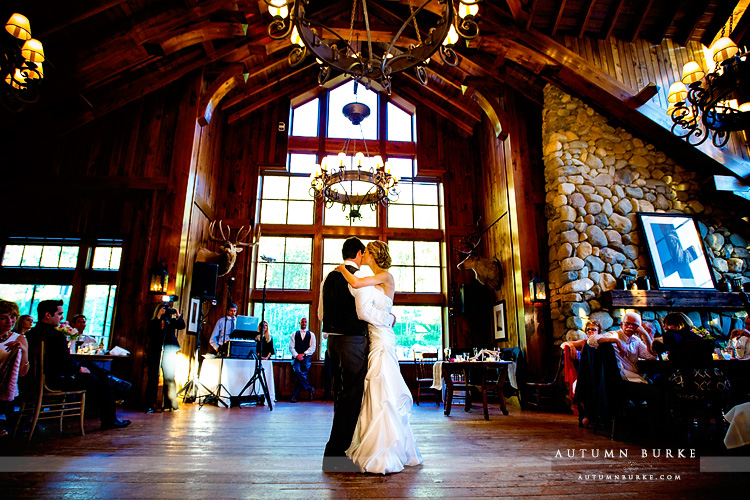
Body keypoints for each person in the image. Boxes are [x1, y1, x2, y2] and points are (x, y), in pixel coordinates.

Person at [336, 240, 423, 474]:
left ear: (371, 256)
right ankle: (376, 444)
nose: (362, 256)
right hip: (375, 336)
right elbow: (359, 288)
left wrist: (342, 268)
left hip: (382, 337)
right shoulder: (377, 278)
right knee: (375, 387)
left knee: (381, 385)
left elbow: (355, 282)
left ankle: (384, 451)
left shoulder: (385, 276)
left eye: (365, 254)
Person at [320, 237, 397, 473]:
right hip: (353, 343)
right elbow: (364, 313)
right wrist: (389, 320)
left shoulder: (327, 277)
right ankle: (335, 455)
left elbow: (321, 314)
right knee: (351, 399)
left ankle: (339, 451)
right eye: (366, 254)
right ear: (361, 253)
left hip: (332, 343)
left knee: (341, 398)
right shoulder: (358, 281)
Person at [25, 300, 131, 430]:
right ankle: (110, 419)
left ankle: (112, 379)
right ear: (48, 315)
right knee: (102, 383)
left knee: (88, 365)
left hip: (36, 379)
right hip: (56, 380)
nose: (62, 317)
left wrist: (80, 367)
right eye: (59, 314)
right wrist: (78, 369)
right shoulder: (56, 335)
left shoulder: (30, 335)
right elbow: (64, 363)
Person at [144, 303, 185, 413]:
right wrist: (158, 317)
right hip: (155, 350)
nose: (165, 311)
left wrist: (177, 315)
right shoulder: (153, 321)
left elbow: (181, 326)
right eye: (163, 309)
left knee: (169, 377)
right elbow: (151, 332)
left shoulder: (170, 321)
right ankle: (149, 405)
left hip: (169, 350)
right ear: (158, 310)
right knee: (153, 377)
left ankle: (170, 404)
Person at [1, 300, 30, 436]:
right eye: (3, 318)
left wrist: (23, 350)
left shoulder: (19, 338)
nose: (9, 321)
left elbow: (23, 373)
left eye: (12, 317)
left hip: (4, 384)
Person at [289, 317, 316, 403]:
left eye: (305, 322)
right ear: (299, 323)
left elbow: (312, 347)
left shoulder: (311, 334)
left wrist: (303, 354)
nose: (304, 323)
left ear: (307, 323)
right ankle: (309, 388)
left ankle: (294, 396)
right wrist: (297, 355)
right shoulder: (294, 334)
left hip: (306, 357)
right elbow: (291, 347)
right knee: (297, 371)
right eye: (302, 322)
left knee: (302, 375)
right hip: (296, 358)